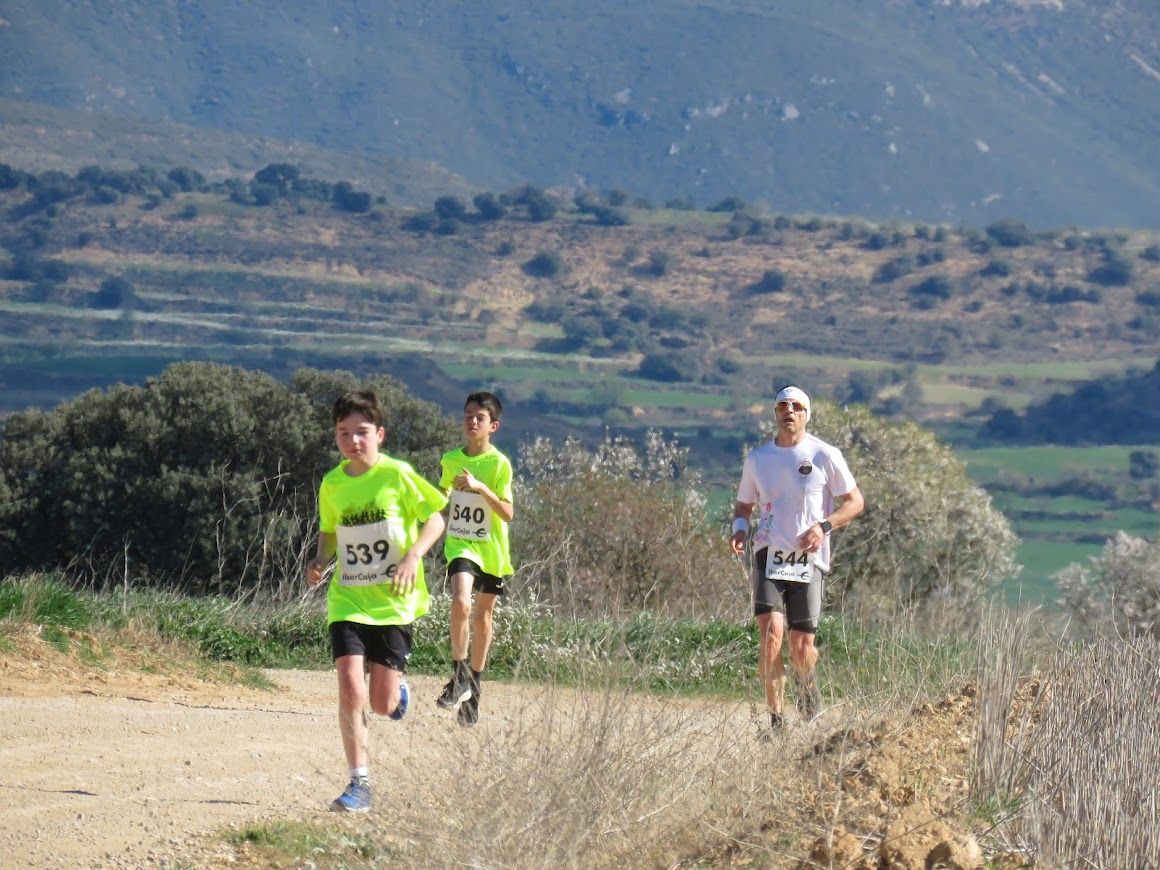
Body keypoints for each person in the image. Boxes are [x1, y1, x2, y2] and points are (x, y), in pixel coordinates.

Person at [306, 390, 447, 812]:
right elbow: (329, 532)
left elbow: (436, 518)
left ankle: (398, 691)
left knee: (382, 704)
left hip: (393, 602)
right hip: (348, 598)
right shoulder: (332, 484)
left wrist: (413, 555)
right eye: (343, 433)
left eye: (362, 433)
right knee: (351, 687)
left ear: (380, 434)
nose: (353, 441)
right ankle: (359, 782)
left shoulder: (397, 475)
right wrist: (319, 561)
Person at [730, 385, 864, 733]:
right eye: (782, 406)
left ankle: (808, 689)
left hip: (809, 558)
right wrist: (741, 528)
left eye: (797, 407)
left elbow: (855, 502)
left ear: (806, 414)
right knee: (771, 634)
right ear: (775, 413)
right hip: (768, 554)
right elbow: (744, 503)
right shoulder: (758, 458)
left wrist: (824, 526)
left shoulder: (824, 455)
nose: (789, 411)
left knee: (801, 645)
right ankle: (775, 721)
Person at [434, 391, 515, 727]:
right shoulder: (450, 459)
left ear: (492, 426)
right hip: (461, 545)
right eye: (468, 415)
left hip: (492, 550)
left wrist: (480, 487)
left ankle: (474, 689)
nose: (471, 422)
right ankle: (458, 675)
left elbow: (508, 513)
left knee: (483, 618)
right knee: (460, 603)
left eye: (479, 418)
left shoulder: (499, 464)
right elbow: (441, 499)